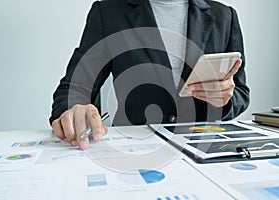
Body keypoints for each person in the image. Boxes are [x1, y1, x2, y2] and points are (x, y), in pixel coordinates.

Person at [50, 0, 249, 150]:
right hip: (133, 150)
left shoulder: (225, 16)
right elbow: (75, 87)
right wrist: (74, 111)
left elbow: (240, 93)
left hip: (204, 149)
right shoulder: (109, 12)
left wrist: (225, 99)